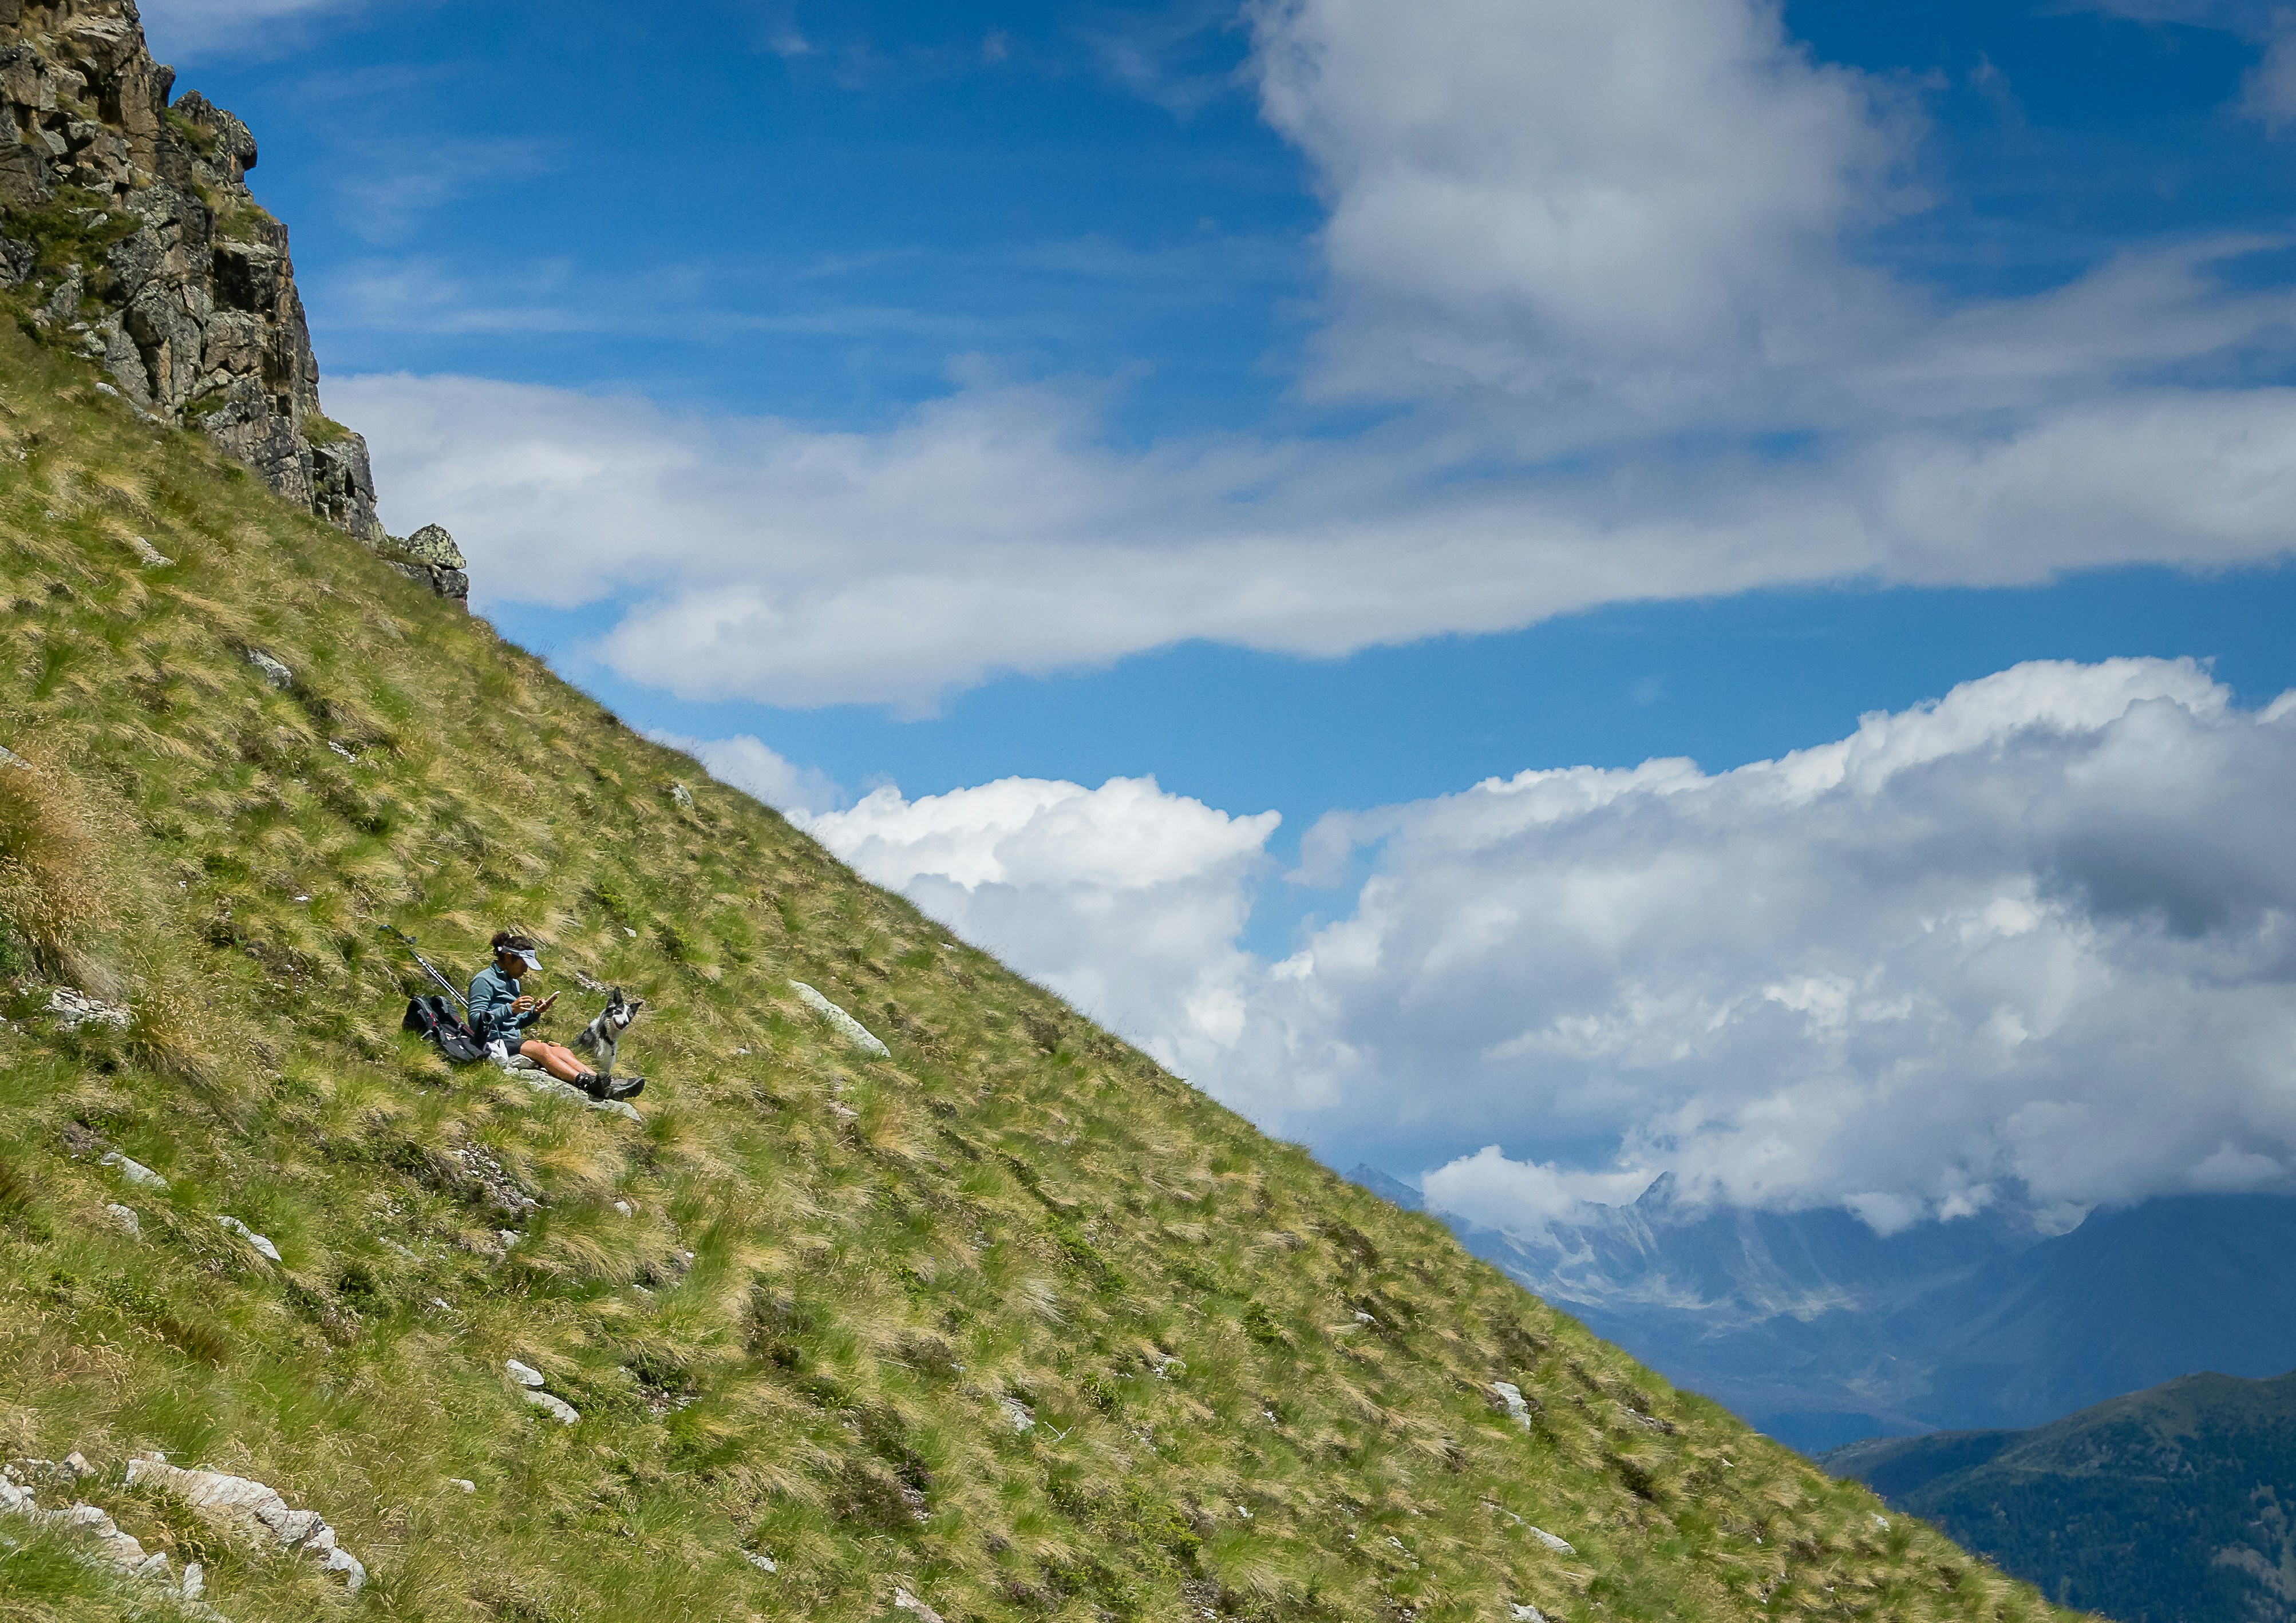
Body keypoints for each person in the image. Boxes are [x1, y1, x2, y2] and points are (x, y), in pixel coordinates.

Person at [468, 932, 642, 1102]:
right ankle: (585, 1082)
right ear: (508, 958)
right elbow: (476, 1021)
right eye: (524, 964)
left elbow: (514, 1023)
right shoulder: (484, 980)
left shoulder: (513, 983)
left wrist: (534, 1013)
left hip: (511, 1041)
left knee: (563, 1052)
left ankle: (607, 1084)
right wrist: (510, 1009)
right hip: (491, 1042)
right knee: (542, 1050)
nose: (526, 970)